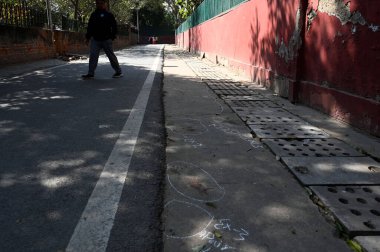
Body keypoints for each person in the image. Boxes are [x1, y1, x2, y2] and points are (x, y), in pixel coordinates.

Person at [82, 0, 123, 79]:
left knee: (111, 56)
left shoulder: (109, 15)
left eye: (101, 3)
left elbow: (114, 27)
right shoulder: (93, 15)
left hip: (106, 40)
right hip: (95, 40)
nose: (99, 5)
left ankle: (118, 72)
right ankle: (91, 74)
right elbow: (90, 27)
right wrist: (87, 38)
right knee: (93, 56)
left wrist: (112, 37)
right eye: (98, 3)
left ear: (105, 4)